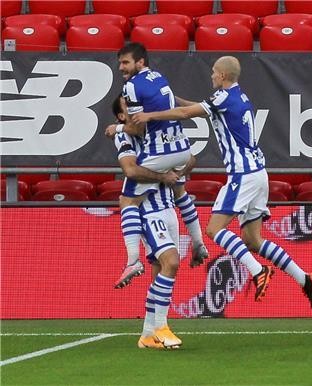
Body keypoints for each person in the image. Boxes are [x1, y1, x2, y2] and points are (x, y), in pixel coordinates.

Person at [131, 56, 312, 308]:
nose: (211, 75)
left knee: (214, 229)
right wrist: (169, 100)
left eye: (213, 72)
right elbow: (197, 107)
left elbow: (188, 113)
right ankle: (304, 279)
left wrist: (150, 115)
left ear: (222, 76)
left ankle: (257, 272)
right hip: (259, 174)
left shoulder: (223, 97)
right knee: (253, 240)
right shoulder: (238, 97)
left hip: (242, 175)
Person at [109, 43, 208, 289]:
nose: (121, 67)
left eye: (125, 63)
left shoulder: (131, 87)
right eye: (120, 63)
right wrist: (205, 109)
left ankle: (132, 260)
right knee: (180, 189)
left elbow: (137, 129)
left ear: (140, 62)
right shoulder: (159, 78)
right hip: (181, 151)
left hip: (160, 167)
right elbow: (177, 104)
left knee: (127, 201)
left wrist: (118, 127)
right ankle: (198, 242)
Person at [110, 96, 184, 349]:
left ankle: (147, 334)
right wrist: (163, 175)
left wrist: (177, 170)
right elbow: (130, 171)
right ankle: (161, 327)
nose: (135, 111)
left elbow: (190, 160)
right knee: (170, 263)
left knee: (161, 272)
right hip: (148, 209)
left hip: (167, 206)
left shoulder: (156, 128)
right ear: (122, 117)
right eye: (128, 109)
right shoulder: (125, 136)